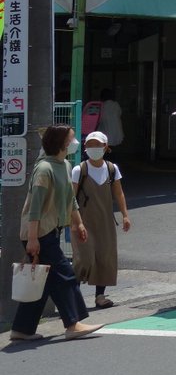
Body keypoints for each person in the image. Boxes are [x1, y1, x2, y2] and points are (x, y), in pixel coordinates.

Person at [11, 125, 104, 341]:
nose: (75, 142)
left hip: (50, 230)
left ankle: (21, 330)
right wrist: (33, 239)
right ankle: (73, 324)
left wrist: (78, 223)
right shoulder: (44, 169)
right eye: (72, 139)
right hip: (38, 232)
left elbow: (70, 199)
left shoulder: (64, 165)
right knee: (66, 275)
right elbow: (35, 207)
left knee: (43, 282)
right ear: (62, 143)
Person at [70, 131, 131, 310]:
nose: (93, 148)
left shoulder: (112, 169)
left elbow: (118, 192)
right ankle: (72, 296)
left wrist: (125, 215)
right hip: (83, 220)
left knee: (105, 257)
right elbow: (70, 197)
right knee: (84, 259)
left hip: (105, 221)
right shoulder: (79, 170)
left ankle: (100, 296)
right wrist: (74, 221)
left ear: (105, 147)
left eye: (97, 145)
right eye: (90, 145)